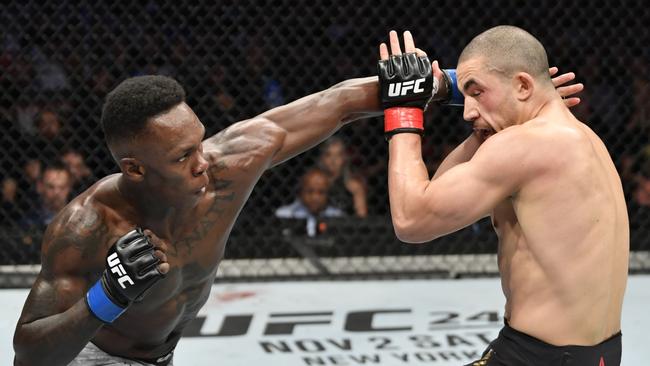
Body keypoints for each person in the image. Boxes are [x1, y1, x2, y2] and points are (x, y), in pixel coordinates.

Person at [13, 57, 581, 365]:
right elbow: (28, 355)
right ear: (135, 168)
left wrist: (473, 89)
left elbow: (334, 105)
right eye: (182, 156)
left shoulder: (227, 162)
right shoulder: (87, 226)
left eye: (201, 142)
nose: (202, 162)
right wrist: (103, 299)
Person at [378, 27, 626, 365]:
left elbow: (411, 219)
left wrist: (403, 108)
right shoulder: (583, 138)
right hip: (599, 355)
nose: (467, 112)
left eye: (477, 92)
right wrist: (463, 104)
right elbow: (438, 193)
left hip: (539, 357)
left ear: (523, 86)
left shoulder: (526, 145)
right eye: (464, 96)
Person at [276, 167, 344, 236]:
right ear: (301, 192)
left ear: (328, 193)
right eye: (310, 191)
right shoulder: (284, 214)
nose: (315, 197)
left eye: (321, 192)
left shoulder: (337, 216)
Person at [317, 137, 368, 217]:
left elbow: (361, 216)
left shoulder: (354, 186)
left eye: (338, 155)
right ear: (322, 158)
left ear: (344, 158)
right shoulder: (314, 185)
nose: (333, 160)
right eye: (328, 155)